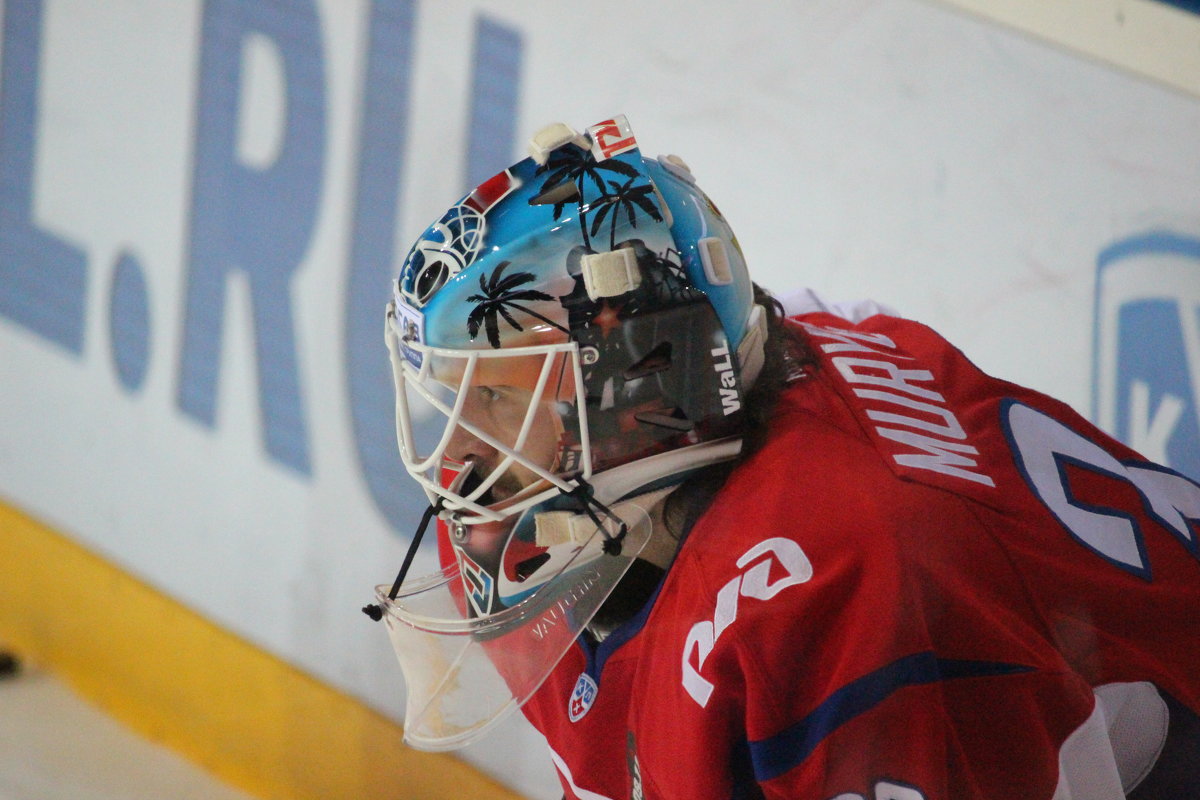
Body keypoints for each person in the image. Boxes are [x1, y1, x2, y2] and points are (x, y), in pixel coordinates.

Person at [364, 116, 1200, 799]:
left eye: (502, 399)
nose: (461, 461)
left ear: (644, 386)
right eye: (460, 400)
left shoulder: (853, 584)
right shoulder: (708, 398)